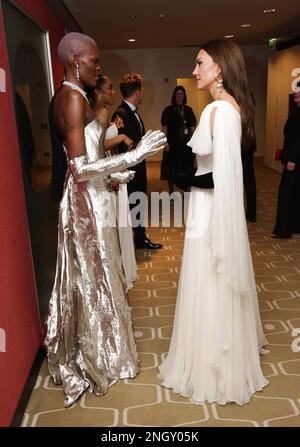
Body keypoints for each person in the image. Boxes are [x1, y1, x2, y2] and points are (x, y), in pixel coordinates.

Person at [44, 32, 166, 407]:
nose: (98, 66)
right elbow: (80, 169)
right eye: (94, 60)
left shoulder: (71, 96)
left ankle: (103, 351)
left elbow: (83, 163)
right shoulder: (73, 100)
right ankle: (104, 359)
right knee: (100, 279)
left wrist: (112, 175)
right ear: (75, 60)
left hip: (89, 196)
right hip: (86, 202)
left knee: (97, 277)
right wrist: (134, 155)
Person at [158, 39, 269, 406]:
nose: (194, 71)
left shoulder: (216, 112)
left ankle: (210, 363)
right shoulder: (234, 107)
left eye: (200, 63)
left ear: (218, 68)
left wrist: (182, 178)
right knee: (217, 282)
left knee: (206, 277)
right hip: (221, 208)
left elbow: (214, 178)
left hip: (209, 208)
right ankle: (225, 349)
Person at [89, 75, 138, 291]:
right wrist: (120, 138)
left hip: (112, 166)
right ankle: (119, 276)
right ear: (98, 92)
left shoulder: (99, 112)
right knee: (117, 224)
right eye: (109, 88)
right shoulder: (101, 113)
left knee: (120, 223)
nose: (113, 92)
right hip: (109, 169)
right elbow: (97, 148)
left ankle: (122, 273)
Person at [112, 73, 163, 250]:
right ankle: (132, 241)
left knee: (138, 203)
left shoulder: (132, 112)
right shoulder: (121, 114)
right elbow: (118, 145)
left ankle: (140, 238)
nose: (143, 93)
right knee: (131, 205)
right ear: (136, 91)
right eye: (141, 90)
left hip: (139, 167)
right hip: (130, 169)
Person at [271, 91, 300, 238]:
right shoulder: (297, 111)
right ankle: (293, 226)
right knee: (294, 193)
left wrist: (292, 159)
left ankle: (283, 230)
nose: (296, 94)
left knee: (286, 194)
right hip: (293, 158)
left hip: (294, 161)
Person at [160, 86, 197, 193]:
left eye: (181, 94)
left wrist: (196, 143)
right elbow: (164, 128)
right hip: (173, 144)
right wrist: (165, 142)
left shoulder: (189, 110)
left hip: (187, 145)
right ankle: (171, 190)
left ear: (184, 96)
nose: (179, 96)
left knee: (187, 167)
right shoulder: (168, 110)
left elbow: (193, 129)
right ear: (174, 96)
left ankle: (187, 189)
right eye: (177, 94)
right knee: (172, 167)